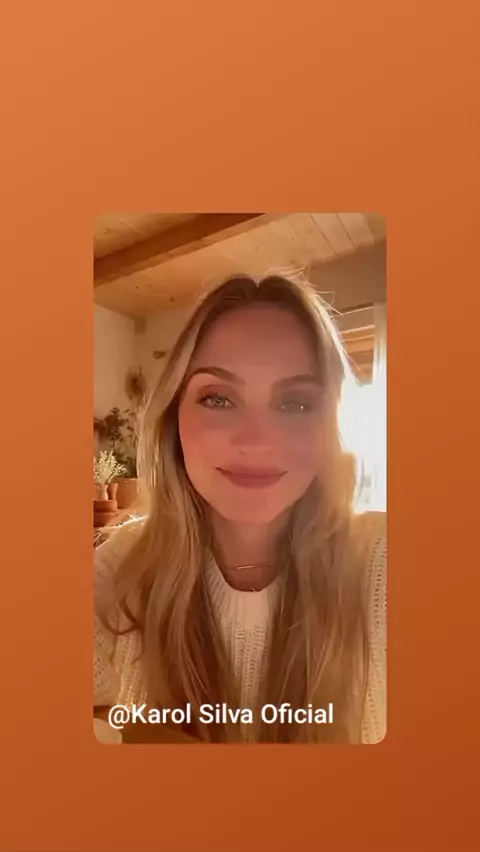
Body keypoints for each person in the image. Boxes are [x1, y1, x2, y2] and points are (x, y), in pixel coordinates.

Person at [94, 273, 386, 744]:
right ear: (173, 419)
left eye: (295, 403)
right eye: (218, 398)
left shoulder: (382, 563)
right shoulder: (119, 568)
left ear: (330, 424)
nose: (255, 441)